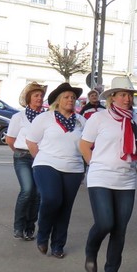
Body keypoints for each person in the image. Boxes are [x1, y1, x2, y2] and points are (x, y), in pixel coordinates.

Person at [79, 76, 137, 272]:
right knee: (105, 222)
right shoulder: (99, 118)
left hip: (126, 180)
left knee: (120, 230)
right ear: (112, 97)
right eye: (123, 95)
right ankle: (91, 249)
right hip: (101, 178)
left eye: (130, 95)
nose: (127, 99)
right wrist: (95, 165)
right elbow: (84, 145)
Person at [25, 82, 86, 259]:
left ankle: (58, 245)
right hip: (47, 164)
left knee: (65, 207)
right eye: (66, 97)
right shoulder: (45, 118)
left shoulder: (81, 121)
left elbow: (88, 144)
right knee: (52, 198)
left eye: (73, 97)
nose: (70, 100)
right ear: (58, 100)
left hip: (74, 168)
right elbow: (31, 142)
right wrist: (41, 159)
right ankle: (43, 235)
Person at [5, 82, 47, 241]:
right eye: (36, 95)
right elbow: (10, 139)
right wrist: (19, 152)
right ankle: (18, 226)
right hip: (22, 157)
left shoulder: (46, 117)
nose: (39, 98)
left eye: (41, 95)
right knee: (27, 190)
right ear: (29, 98)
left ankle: (30, 227)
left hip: (41, 157)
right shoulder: (19, 117)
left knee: (38, 194)